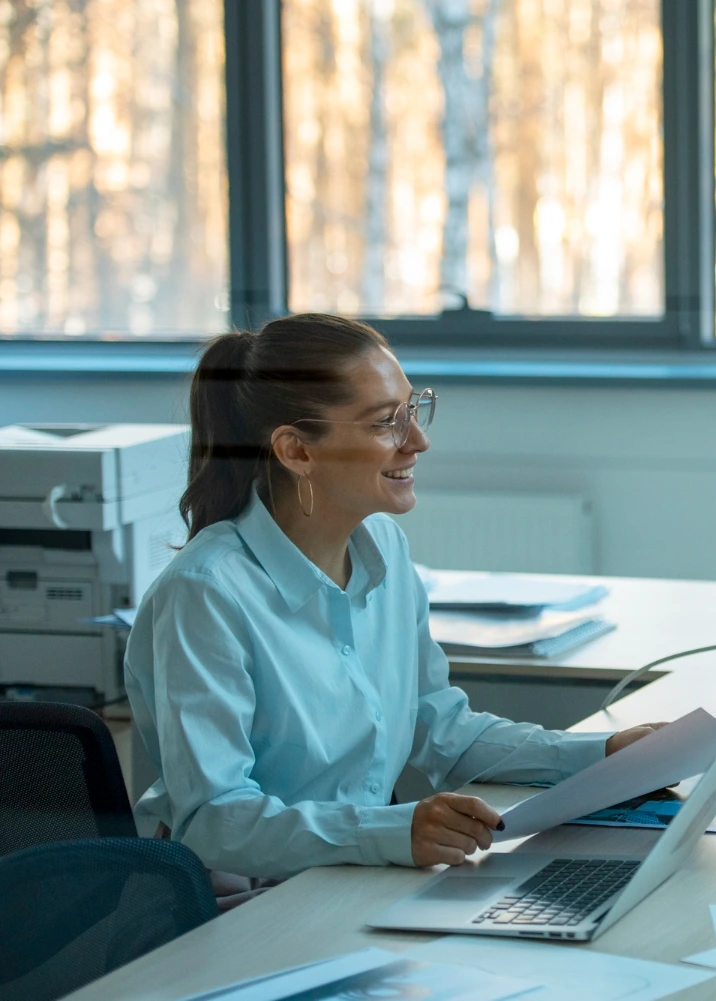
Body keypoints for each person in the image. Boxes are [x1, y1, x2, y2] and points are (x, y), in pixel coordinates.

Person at [125, 315, 661, 903]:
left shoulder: (384, 551)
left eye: (413, 409)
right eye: (386, 422)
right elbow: (214, 820)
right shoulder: (205, 594)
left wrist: (604, 756)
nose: (418, 441)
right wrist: (395, 831)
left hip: (354, 876)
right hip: (240, 905)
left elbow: (441, 730)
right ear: (296, 450)